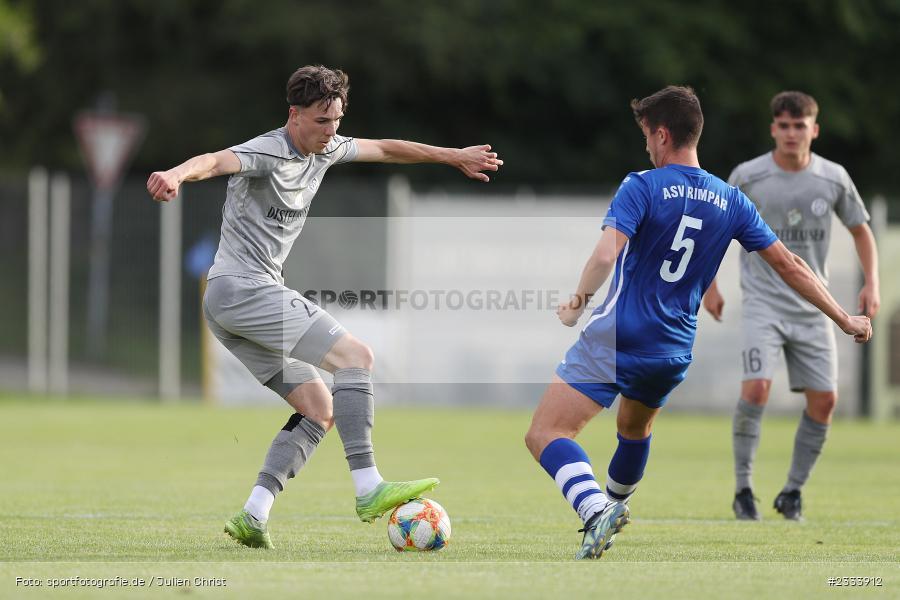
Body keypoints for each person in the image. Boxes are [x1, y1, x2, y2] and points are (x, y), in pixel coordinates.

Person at [146, 65, 503, 548]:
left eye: (336, 120)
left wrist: (452, 156)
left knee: (318, 409)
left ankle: (254, 513)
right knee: (357, 358)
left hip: (231, 305)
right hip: (242, 289)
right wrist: (176, 174)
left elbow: (387, 149)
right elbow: (213, 160)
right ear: (294, 115)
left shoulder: (328, 148)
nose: (331, 131)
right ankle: (369, 486)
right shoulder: (268, 150)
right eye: (321, 121)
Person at [524, 86, 871, 560]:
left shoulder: (642, 185)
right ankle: (612, 510)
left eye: (648, 136)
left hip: (619, 335)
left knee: (545, 434)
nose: (647, 146)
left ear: (662, 135)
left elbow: (607, 253)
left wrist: (576, 304)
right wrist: (843, 316)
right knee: (633, 429)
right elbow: (790, 264)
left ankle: (594, 509)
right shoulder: (731, 200)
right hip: (673, 350)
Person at [702, 91, 880, 521]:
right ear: (772, 130)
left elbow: (860, 231)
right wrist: (709, 284)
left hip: (813, 307)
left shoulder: (833, 179)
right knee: (756, 388)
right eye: (783, 125)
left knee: (825, 403)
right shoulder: (748, 176)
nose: (790, 133)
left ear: (814, 130)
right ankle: (744, 490)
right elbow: (714, 230)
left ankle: (792, 492)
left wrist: (872, 281)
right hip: (763, 302)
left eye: (799, 126)